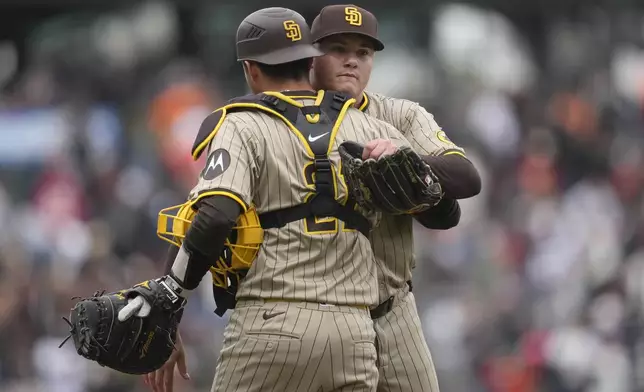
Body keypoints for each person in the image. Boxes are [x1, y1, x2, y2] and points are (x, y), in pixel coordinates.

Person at [133, 6, 427, 392]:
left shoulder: (241, 123)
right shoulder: (370, 126)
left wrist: (169, 297)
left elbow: (216, 215)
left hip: (272, 324)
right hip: (353, 332)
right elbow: (445, 208)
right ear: (309, 61)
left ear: (251, 69)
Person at [309, 5, 482, 392]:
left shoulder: (399, 115)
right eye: (339, 49)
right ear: (311, 55)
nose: (352, 61)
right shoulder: (288, 118)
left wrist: (405, 159)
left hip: (394, 308)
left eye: (364, 53)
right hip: (318, 309)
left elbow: (467, 177)